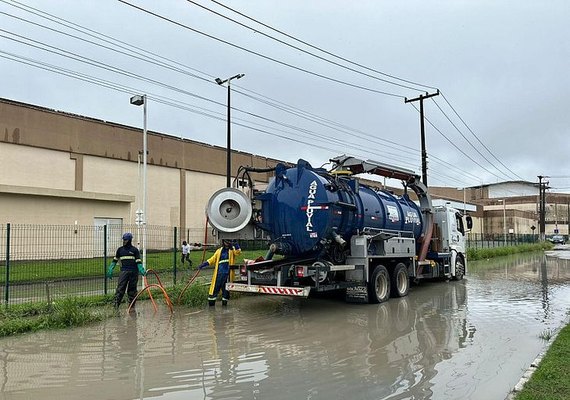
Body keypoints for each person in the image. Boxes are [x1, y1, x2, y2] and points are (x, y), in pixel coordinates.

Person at [106, 232, 146, 310]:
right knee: (120, 289)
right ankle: (115, 306)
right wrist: (111, 268)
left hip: (133, 272)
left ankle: (131, 307)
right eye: (123, 239)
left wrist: (141, 268)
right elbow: (115, 260)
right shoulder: (120, 250)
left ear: (130, 240)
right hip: (123, 272)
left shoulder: (134, 250)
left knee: (132, 290)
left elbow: (138, 261)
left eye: (126, 240)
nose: (124, 241)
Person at [198, 239, 241, 306]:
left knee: (225, 290)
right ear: (223, 242)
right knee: (214, 289)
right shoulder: (219, 251)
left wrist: (236, 244)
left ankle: (224, 305)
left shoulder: (232, 250)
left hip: (227, 274)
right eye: (226, 241)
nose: (227, 243)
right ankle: (211, 305)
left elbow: (238, 252)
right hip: (219, 274)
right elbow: (212, 259)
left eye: (229, 241)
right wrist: (204, 264)